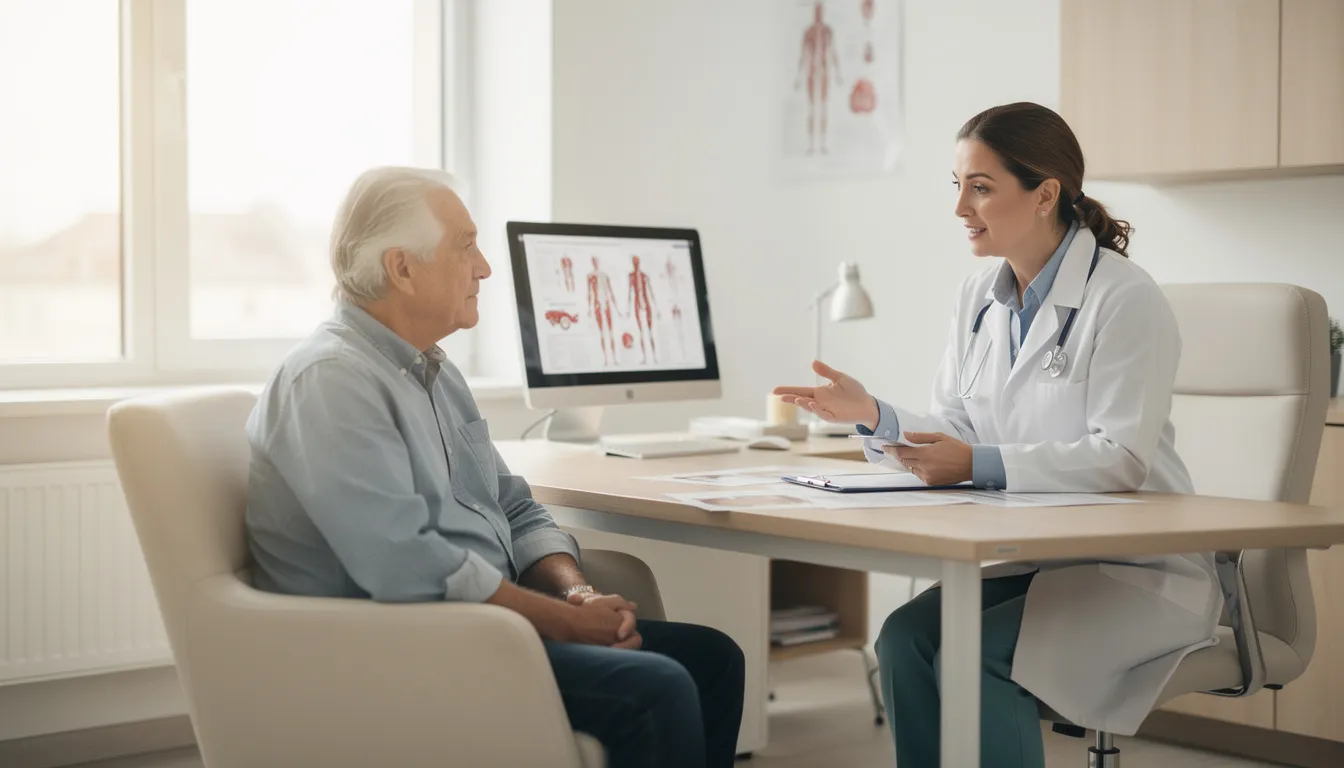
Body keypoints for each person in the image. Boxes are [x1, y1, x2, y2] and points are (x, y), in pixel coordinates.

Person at [244, 166, 744, 768]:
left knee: (715, 658)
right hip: (403, 646)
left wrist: (578, 596)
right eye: (465, 246)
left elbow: (513, 504)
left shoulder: (435, 372)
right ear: (402, 268)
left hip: (481, 628)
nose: (484, 267)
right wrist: (560, 621)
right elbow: (402, 564)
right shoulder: (330, 381)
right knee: (657, 690)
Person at [773, 102, 1220, 768]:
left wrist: (978, 462)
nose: (960, 207)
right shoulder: (978, 296)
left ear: (1045, 195)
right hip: (1043, 562)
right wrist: (875, 416)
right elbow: (956, 426)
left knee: (975, 657)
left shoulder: (1125, 299)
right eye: (955, 185)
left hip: (1136, 571)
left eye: (980, 187)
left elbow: (1121, 459)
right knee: (902, 640)